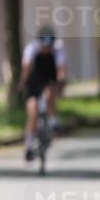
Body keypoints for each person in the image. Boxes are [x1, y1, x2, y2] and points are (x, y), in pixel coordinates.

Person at [19, 26, 66, 161]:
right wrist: (23, 83)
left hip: (49, 78)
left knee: (49, 92)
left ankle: (53, 123)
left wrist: (61, 83)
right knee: (33, 112)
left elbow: (61, 69)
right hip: (34, 80)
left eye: (49, 46)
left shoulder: (58, 48)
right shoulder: (31, 49)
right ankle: (29, 147)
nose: (47, 49)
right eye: (44, 46)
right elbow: (26, 68)